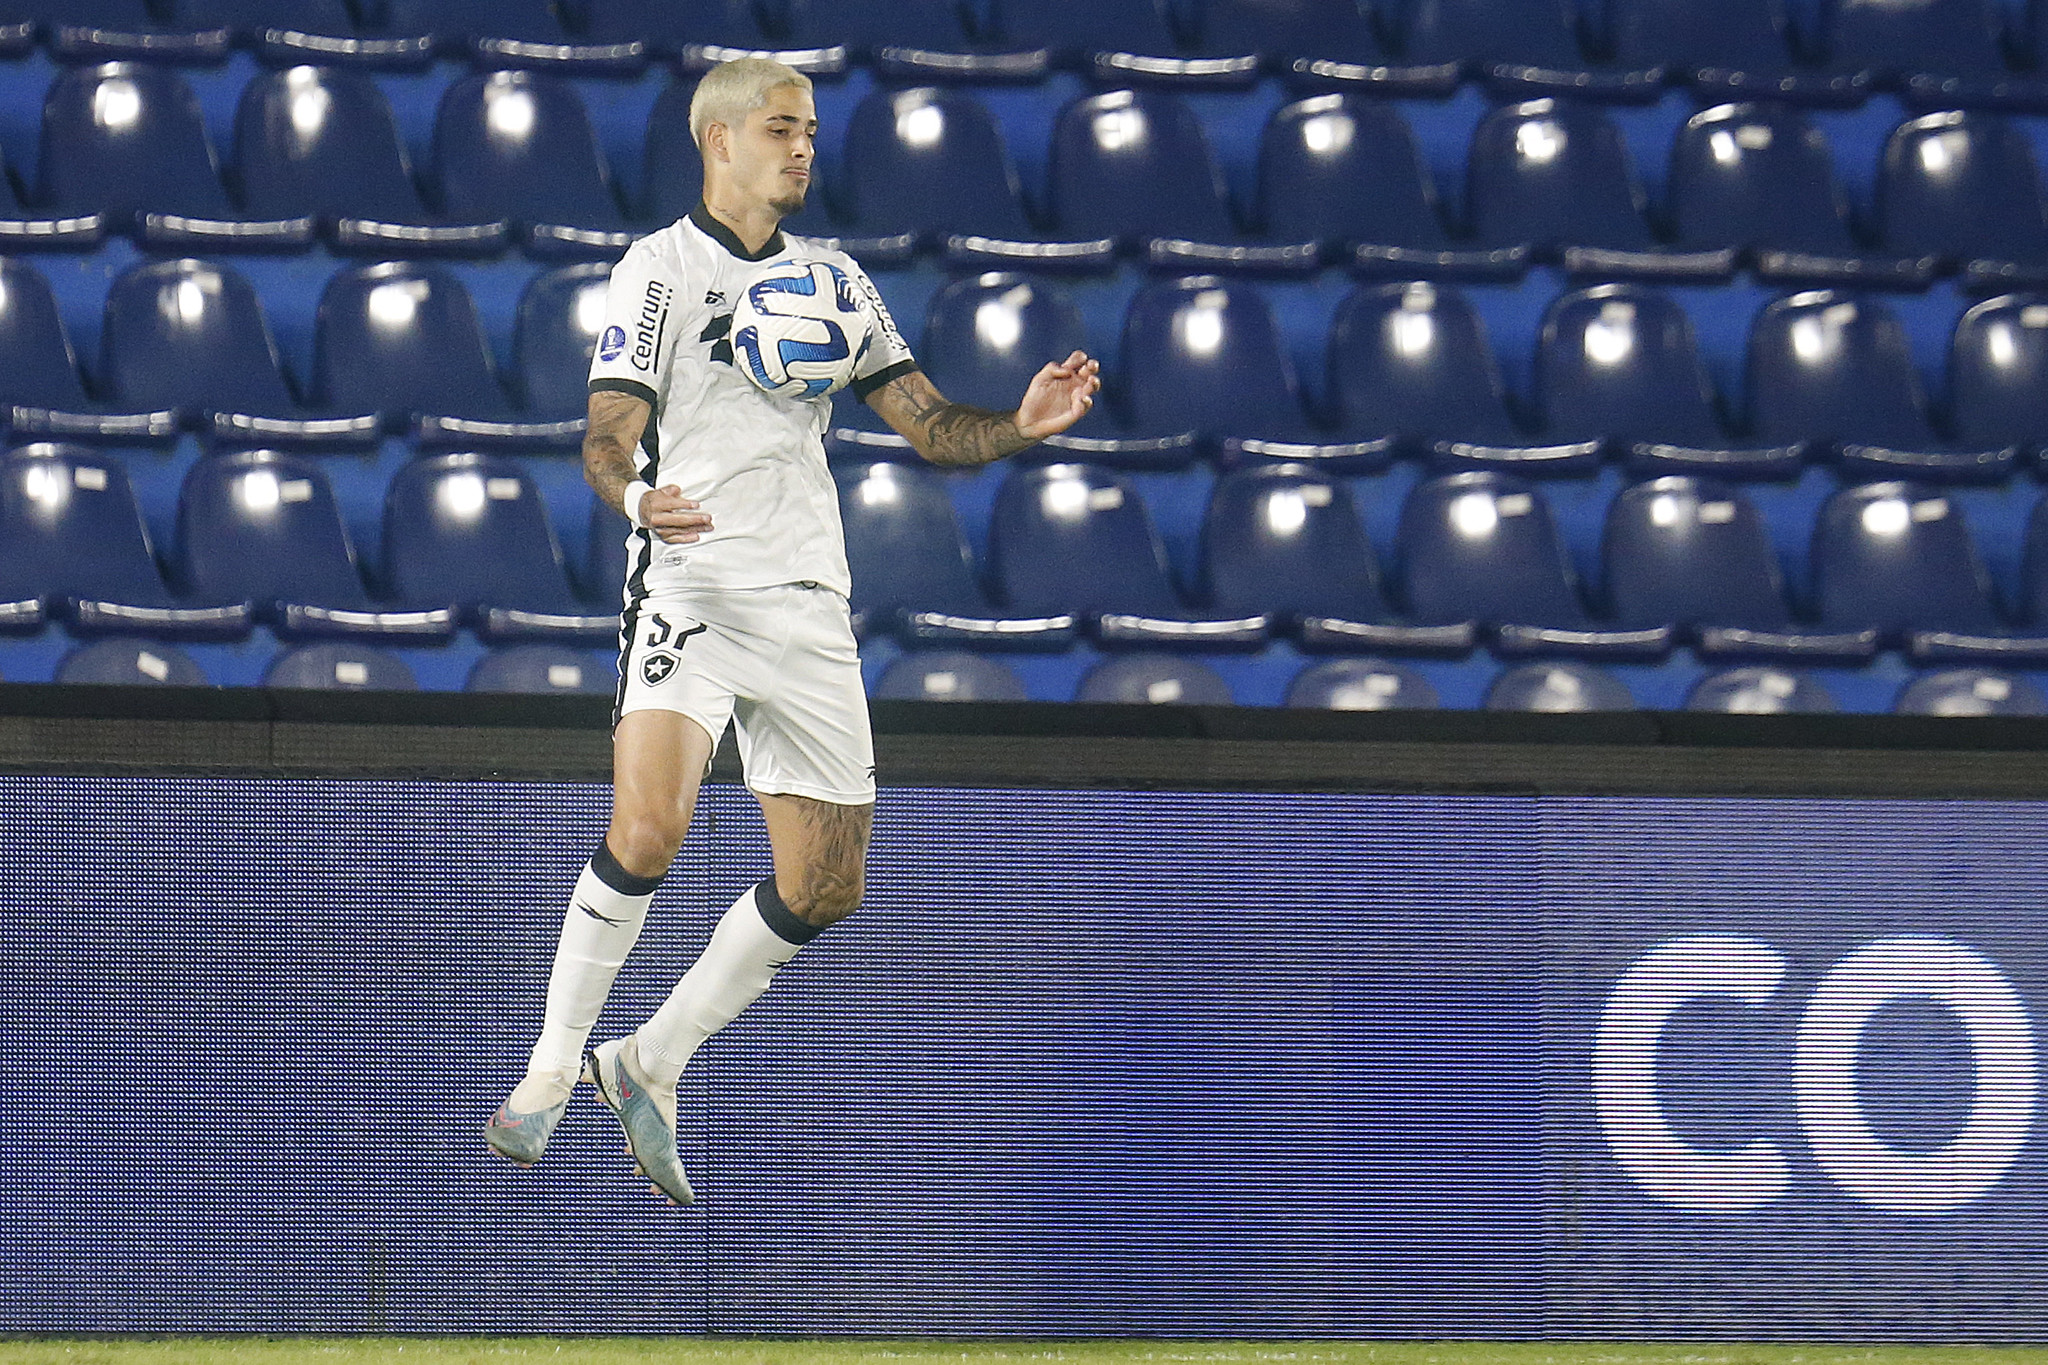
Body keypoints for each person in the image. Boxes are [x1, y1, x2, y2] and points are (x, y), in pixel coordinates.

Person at [483, 56, 1101, 1206]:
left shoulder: (835, 279)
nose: (803, 148)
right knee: (651, 827)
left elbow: (925, 423)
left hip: (808, 600)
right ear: (718, 139)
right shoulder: (658, 271)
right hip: (692, 583)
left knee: (827, 885)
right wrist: (634, 502)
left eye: (810, 131)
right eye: (781, 129)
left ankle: (648, 1060)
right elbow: (606, 437)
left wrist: (1017, 423)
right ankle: (548, 1073)